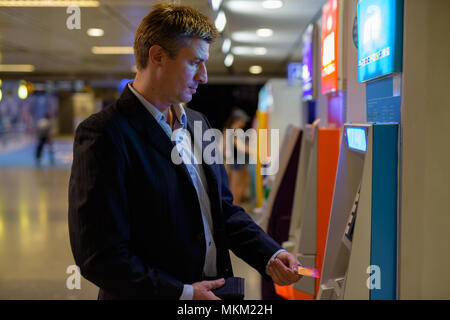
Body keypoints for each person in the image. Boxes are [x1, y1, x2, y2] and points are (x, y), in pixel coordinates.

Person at [68, 2, 302, 300]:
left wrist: (271, 254)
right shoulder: (105, 133)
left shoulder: (198, 123)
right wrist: (183, 293)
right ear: (157, 56)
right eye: (194, 63)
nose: (203, 76)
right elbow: (98, 256)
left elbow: (223, 211)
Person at [223, 109, 253, 210]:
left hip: (239, 161)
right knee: (235, 185)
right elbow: (240, 147)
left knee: (239, 184)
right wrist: (255, 151)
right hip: (236, 161)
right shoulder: (233, 131)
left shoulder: (235, 131)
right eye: (243, 120)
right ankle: (235, 206)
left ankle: (237, 204)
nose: (244, 123)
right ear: (237, 120)